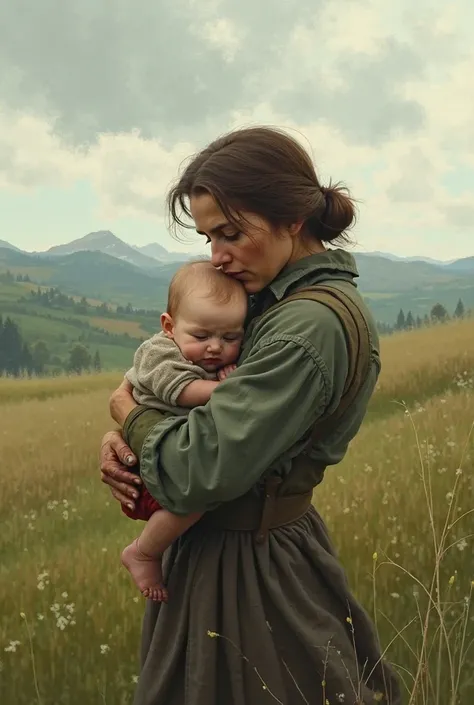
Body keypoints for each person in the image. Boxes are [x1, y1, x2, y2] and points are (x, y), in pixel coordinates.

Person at [100, 126, 402, 705]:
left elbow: (197, 470)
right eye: (209, 236)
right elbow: (179, 379)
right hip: (228, 550)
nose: (217, 256)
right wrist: (120, 431)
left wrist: (126, 413)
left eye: (232, 234)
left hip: (249, 567)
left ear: (292, 218)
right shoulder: (272, 302)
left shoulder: (307, 327)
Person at [121, 260, 247, 602]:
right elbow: (185, 392)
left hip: (170, 445)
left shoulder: (209, 358)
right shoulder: (159, 353)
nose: (215, 347)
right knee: (196, 498)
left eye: (230, 337)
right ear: (168, 325)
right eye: (202, 336)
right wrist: (235, 386)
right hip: (151, 462)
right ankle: (144, 551)